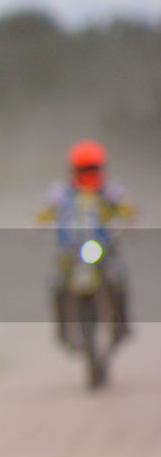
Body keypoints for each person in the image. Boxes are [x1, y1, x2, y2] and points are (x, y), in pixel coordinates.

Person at [35, 138, 136, 346]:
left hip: (104, 249)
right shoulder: (61, 193)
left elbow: (127, 209)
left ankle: (122, 324)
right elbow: (45, 212)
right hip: (70, 251)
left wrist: (129, 222)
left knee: (117, 277)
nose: (88, 173)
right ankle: (63, 330)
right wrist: (35, 225)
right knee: (56, 283)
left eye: (92, 168)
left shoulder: (110, 191)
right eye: (83, 169)